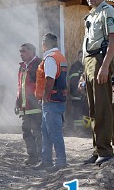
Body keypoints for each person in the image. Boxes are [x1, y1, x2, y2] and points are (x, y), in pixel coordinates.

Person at [82, 0, 114, 165]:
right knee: (92, 109)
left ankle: (106, 150)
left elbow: (112, 41)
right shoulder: (91, 14)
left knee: (103, 107)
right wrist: (84, 72)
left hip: (100, 59)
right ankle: (97, 149)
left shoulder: (107, 11)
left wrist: (105, 67)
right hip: (89, 61)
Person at [33, 33, 68, 172]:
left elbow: (50, 79)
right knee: (46, 132)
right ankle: (46, 160)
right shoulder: (60, 57)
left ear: (44, 44)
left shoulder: (50, 58)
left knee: (53, 132)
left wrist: (45, 96)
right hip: (57, 99)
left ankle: (61, 162)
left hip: (51, 101)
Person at [15, 43, 42, 165]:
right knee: (26, 132)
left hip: (36, 107)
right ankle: (32, 157)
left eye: (23, 51)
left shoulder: (39, 64)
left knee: (38, 132)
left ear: (31, 51)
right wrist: (17, 102)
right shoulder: (22, 67)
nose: (21, 54)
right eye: (20, 51)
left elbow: (43, 84)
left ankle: (42, 157)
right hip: (25, 107)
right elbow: (20, 87)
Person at [67, 50, 88, 133]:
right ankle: (79, 130)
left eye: (83, 57)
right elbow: (73, 81)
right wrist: (75, 93)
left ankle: (86, 129)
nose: (82, 58)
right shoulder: (74, 67)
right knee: (77, 112)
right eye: (80, 57)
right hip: (76, 93)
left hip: (86, 94)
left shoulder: (88, 66)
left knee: (86, 112)